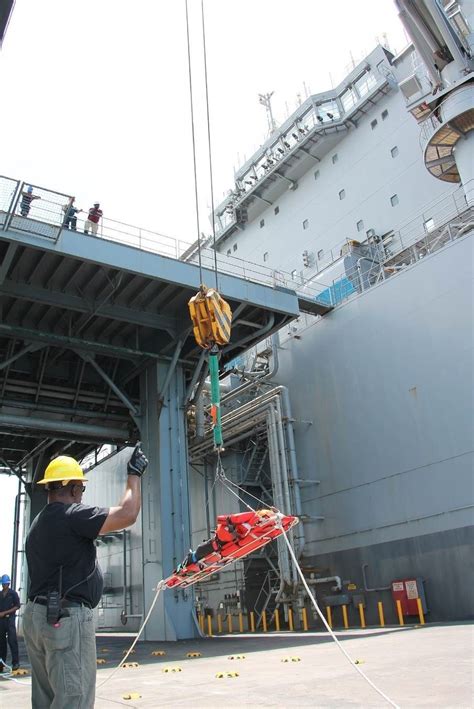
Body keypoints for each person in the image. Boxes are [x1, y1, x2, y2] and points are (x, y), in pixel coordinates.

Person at [23, 443, 148, 709]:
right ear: (69, 487)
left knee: (45, 700)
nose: (81, 494)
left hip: (36, 616)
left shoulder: (38, 523)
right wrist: (134, 475)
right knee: (73, 699)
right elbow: (128, 514)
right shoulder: (72, 515)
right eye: (81, 487)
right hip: (65, 620)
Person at [176, 509, 273, 573]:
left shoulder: (258, 532)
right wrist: (233, 531)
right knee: (201, 551)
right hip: (220, 546)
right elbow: (226, 519)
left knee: (202, 552)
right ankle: (185, 564)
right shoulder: (251, 521)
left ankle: (190, 563)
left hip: (224, 550)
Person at [0, 574, 20, 673]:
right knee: (1, 642)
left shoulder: (13, 594)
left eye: (6, 584)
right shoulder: (0, 594)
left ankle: (15, 662)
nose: (4, 586)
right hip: (1, 621)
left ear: (9, 583)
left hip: (10, 619)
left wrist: (5, 612)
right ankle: (1, 663)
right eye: (3, 584)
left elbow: (17, 606)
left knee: (12, 641)